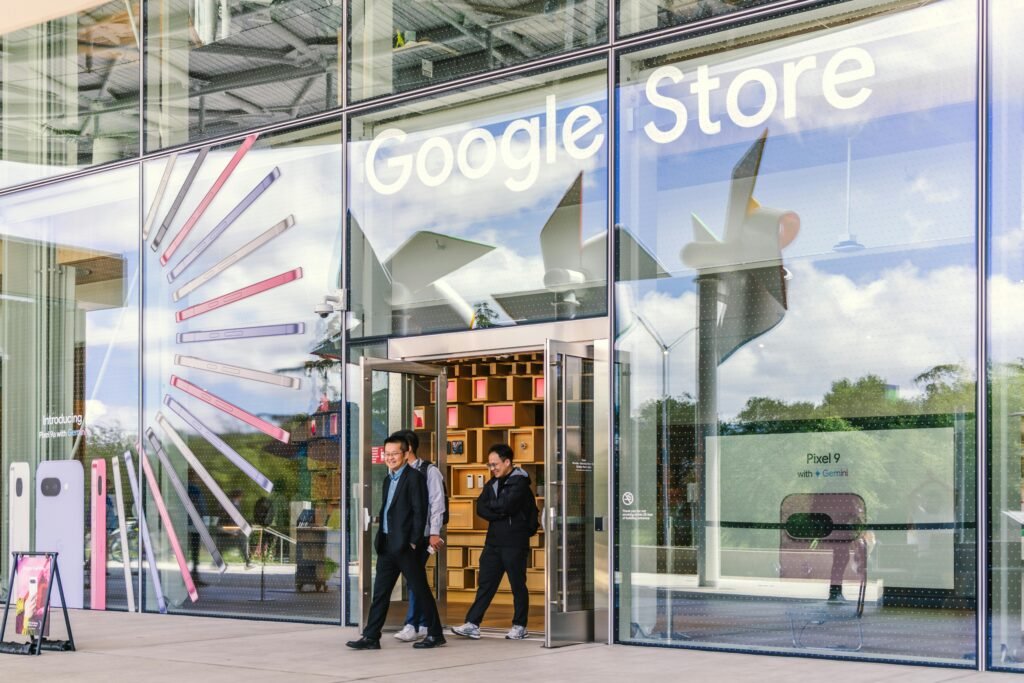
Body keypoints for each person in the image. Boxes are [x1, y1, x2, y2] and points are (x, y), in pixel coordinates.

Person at [346, 432, 446, 650]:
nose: (390, 457)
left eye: (395, 453)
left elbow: (420, 512)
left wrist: (414, 542)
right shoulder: (387, 479)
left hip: (407, 547)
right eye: (387, 453)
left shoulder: (415, 477)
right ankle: (371, 637)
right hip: (388, 545)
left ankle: (436, 634)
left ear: (406, 453)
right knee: (380, 593)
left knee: (420, 590)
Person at [452, 443, 536, 641]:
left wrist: (496, 508)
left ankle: (520, 626)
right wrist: (498, 512)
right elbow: (480, 508)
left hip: (515, 541)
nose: (492, 468)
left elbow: (508, 505)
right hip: (493, 542)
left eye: (495, 464)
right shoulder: (492, 484)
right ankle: (472, 623)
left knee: (517, 585)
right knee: (486, 584)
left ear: (507, 462)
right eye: (490, 465)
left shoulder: (520, 483)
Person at [394, 429, 446, 643]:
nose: (392, 453)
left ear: (408, 449)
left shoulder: (429, 471)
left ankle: (413, 624)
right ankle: (423, 623)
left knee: (415, 580)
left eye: (397, 448)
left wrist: (434, 532)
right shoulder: (398, 472)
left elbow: (437, 503)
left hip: (423, 536)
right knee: (416, 580)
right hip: (404, 535)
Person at [187, 473, 208, 585]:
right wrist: (204, 519)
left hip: (185, 523)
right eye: (196, 477)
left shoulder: (182, 487)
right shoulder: (195, 489)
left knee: (187, 550)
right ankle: (194, 577)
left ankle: (187, 577)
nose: (198, 479)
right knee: (195, 551)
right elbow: (202, 506)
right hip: (195, 523)